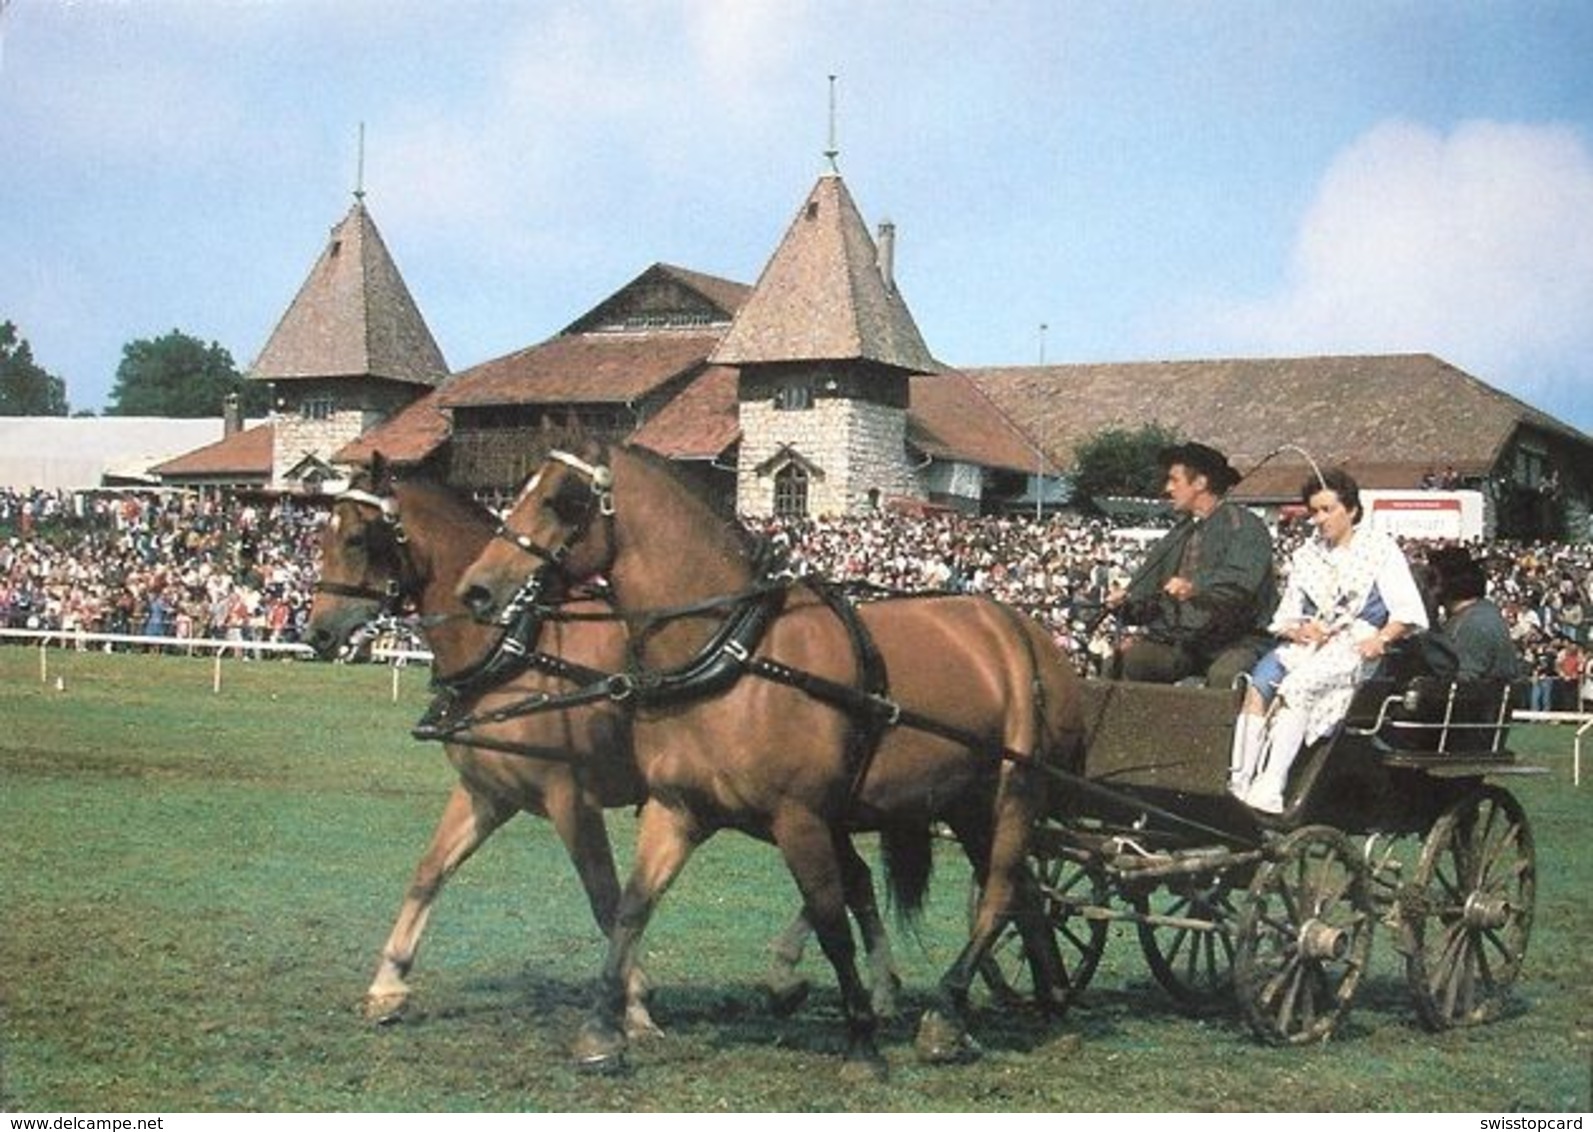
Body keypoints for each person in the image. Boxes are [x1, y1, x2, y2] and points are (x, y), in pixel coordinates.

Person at [1229, 468, 1429, 814]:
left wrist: (1381, 638)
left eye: (1327, 510)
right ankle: (1240, 781)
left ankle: (1271, 786)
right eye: (1313, 512)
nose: (1319, 519)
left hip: (1357, 645)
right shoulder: (1307, 556)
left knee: (1299, 686)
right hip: (1308, 643)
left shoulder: (1380, 550)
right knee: (1256, 684)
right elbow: (1286, 614)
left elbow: (1407, 611)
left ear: (1350, 510)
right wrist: (1298, 630)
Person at [1105, 442, 1277, 688]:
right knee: (1122, 663)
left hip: (1239, 642)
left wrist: (1196, 587)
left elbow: (1241, 584)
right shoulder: (1177, 534)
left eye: (1175, 480)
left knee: (1225, 676)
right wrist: (1125, 604)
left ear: (1200, 483)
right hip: (1183, 644)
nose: (1168, 488)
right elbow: (1146, 596)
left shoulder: (1247, 527)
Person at [1426, 546, 1520, 682]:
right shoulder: (1480, 614)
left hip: (1476, 701)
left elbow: (1462, 683)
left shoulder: (1474, 624)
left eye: (1432, 581)